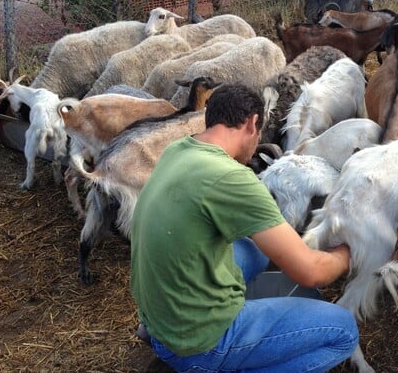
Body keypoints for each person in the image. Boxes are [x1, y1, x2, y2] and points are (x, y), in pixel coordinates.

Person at [130, 83, 358, 372]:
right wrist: (346, 253)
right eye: (259, 133)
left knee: (256, 251)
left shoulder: (179, 150)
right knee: (344, 332)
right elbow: (311, 271)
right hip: (199, 343)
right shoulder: (232, 177)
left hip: (161, 320)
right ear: (252, 124)